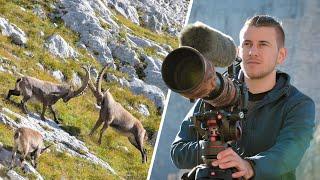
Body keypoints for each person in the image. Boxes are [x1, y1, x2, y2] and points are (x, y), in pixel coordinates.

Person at [170, 15, 315, 179]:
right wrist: (209, 148)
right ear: (239, 50)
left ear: (281, 55)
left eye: (263, 45)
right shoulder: (215, 92)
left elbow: (290, 152)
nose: (253, 52)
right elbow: (178, 151)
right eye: (247, 44)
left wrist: (250, 167)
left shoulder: (298, 104)